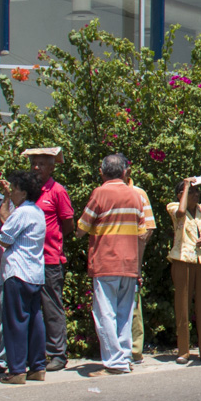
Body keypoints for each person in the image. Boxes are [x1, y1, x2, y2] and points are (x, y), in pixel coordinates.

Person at [75, 153, 154, 374]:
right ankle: (125, 356)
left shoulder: (99, 193)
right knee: (125, 313)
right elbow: (143, 233)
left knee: (105, 313)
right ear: (124, 172)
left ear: (101, 172)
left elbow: (81, 229)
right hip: (129, 262)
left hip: (106, 261)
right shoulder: (136, 195)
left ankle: (114, 361)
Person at [0, 169, 47, 384]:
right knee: (34, 319)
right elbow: (8, 221)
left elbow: (4, 238)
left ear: (23, 192)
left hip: (17, 272)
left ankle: (17, 369)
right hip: (34, 273)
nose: (12, 192)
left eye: (14, 189)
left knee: (15, 321)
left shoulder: (22, 213)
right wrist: (6, 197)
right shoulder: (37, 212)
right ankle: (37, 365)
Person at [23, 147, 77, 372]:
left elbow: (68, 224)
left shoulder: (57, 191)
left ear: (52, 167)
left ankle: (57, 353)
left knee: (51, 306)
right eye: (34, 163)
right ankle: (33, 353)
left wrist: (54, 240)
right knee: (29, 307)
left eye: (41, 164)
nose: (36, 167)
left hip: (49, 258)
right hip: (27, 259)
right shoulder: (29, 190)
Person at [168, 177, 201, 363]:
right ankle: (183, 351)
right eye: (192, 192)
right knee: (182, 306)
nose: (196, 195)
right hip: (182, 259)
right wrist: (186, 185)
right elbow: (180, 212)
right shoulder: (173, 207)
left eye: (197, 192)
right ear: (182, 194)